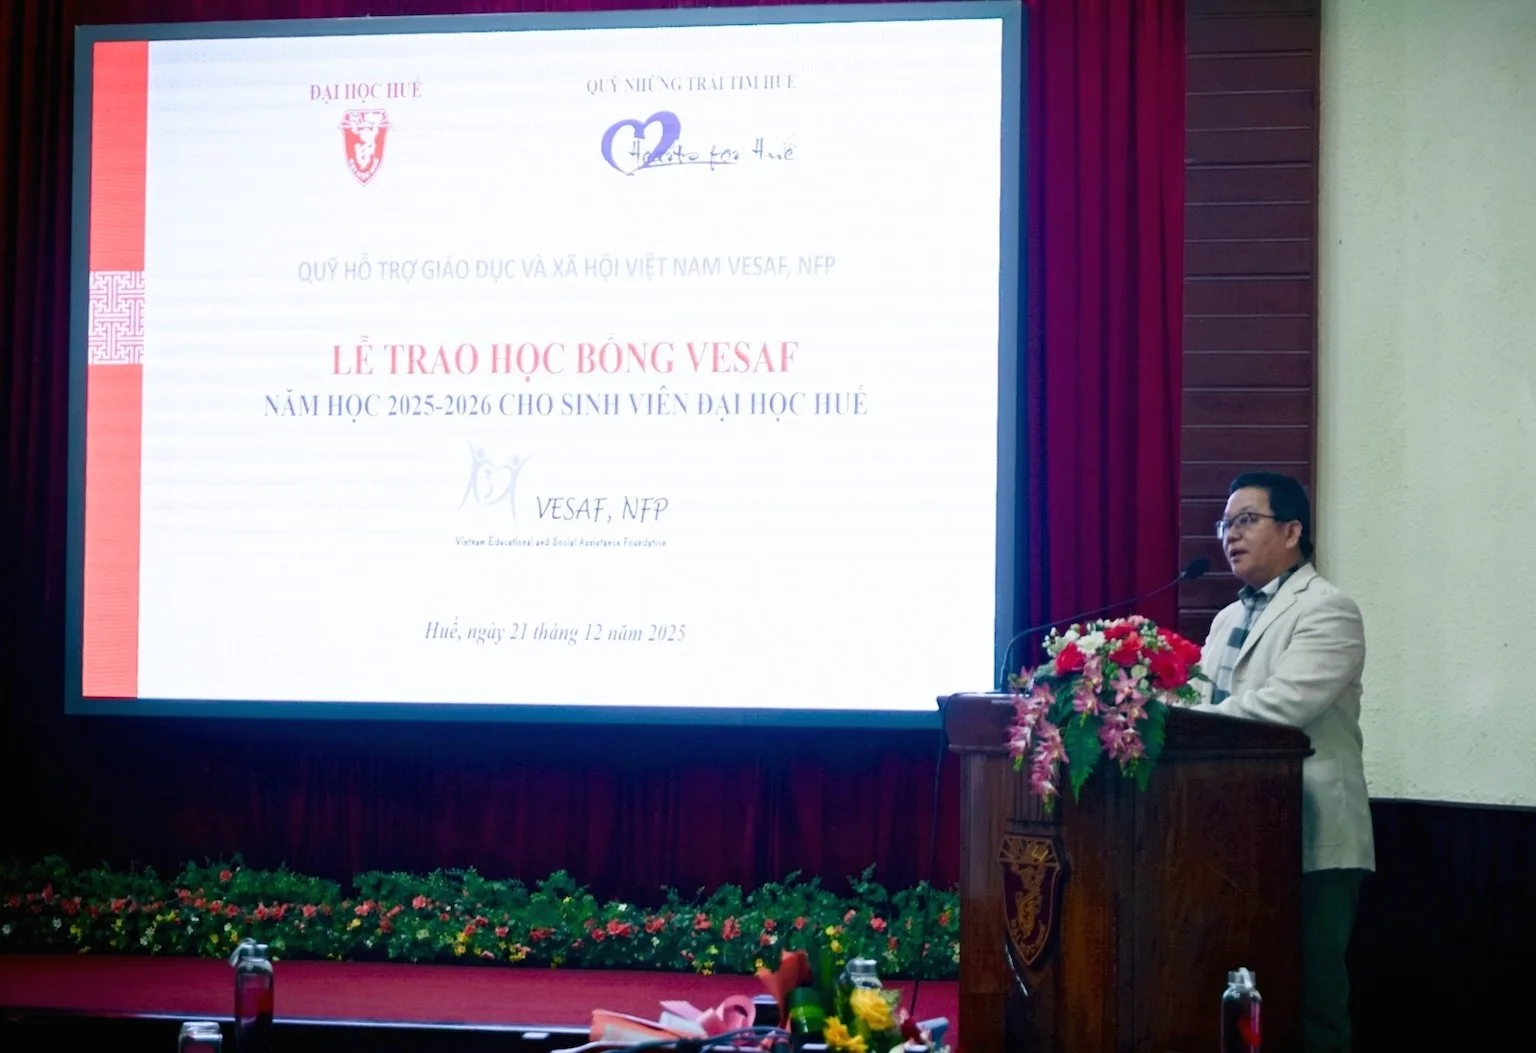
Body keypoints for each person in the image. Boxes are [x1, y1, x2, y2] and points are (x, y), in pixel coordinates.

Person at [1200, 471, 1375, 1053]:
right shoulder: (1226, 619)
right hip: (1234, 835)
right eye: (1225, 524)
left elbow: (1283, 708)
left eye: (1247, 520)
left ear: (1293, 530)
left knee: (1312, 996)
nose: (1230, 535)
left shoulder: (1329, 609)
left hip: (1312, 834)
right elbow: (1200, 700)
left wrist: (1186, 720)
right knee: (1243, 993)